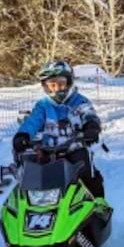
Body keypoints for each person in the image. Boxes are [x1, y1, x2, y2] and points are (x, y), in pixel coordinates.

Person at [12, 60, 105, 197]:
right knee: (32, 175)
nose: (57, 89)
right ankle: (32, 206)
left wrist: (91, 126)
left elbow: (88, 113)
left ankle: (97, 202)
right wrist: (23, 135)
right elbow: (33, 121)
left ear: (69, 82)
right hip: (48, 151)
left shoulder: (79, 101)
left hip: (74, 148)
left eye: (61, 84)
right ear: (46, 86)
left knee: (85, 169)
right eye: (52, 85)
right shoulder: (43, 105)